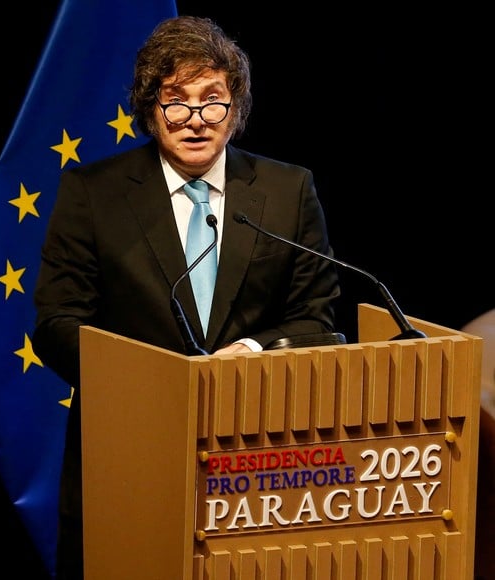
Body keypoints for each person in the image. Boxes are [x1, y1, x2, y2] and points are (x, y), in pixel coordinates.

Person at [32, 15, 341, 580]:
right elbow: (57, 322)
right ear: (151, 108)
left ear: (236, 106)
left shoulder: (286, 191)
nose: (195, 120)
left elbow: (316, 318)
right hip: (129, 452)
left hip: (259, 460)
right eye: (176, 101)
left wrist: (250, 352)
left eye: (212, 100)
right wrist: (150, 378)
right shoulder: (93, 194)